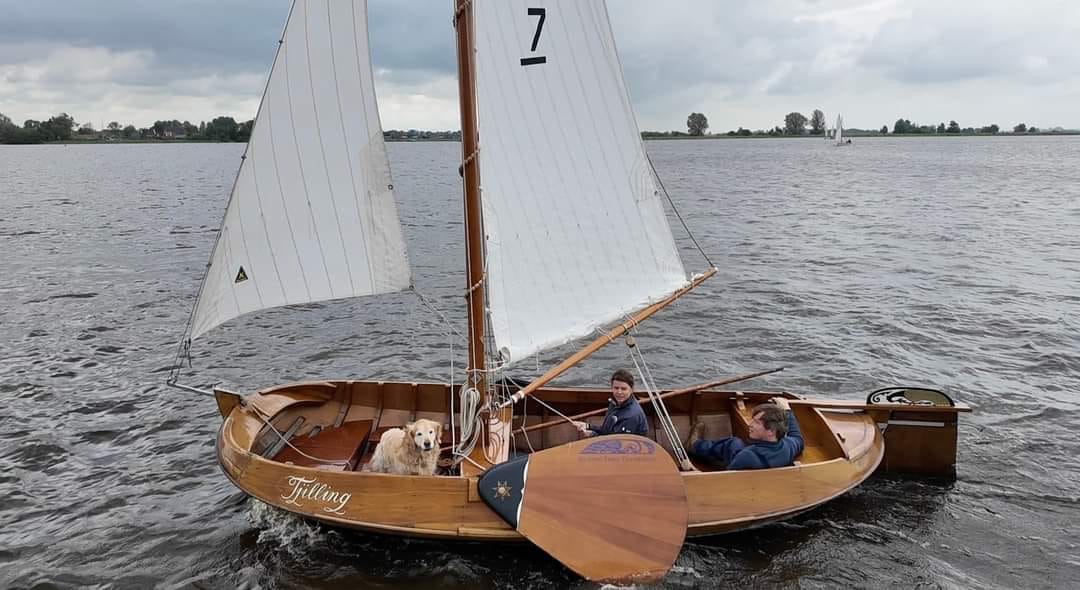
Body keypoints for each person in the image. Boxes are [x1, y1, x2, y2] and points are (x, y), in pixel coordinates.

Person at [686, 398, 803, 469]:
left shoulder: (747, 456)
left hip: (745, 478)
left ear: (771, 431)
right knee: (736, 443)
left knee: (732, 443)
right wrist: (787, 410)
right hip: (763, 471)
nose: (750, 424)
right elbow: (798, 439)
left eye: (756, 422)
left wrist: (692, 469)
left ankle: (695, 445)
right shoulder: (787, 447)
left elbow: (725, 481)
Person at [574, 369, 648, 437]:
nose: (619, 392)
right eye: (616, 388)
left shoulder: (631, 416)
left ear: (631, 389)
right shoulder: (615, 402)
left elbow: (616, 443)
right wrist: (587, 426)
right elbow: (607, 430)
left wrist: (592, 434)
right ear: (611, 388)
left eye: (623, 389)